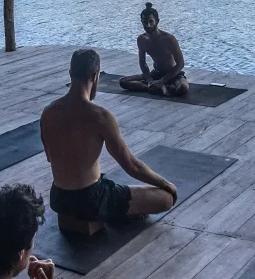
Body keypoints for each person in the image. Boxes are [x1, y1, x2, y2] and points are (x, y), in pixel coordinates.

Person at [42, 49, 176, 224]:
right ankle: (118, 210)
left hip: (58, 198)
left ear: (70, 74)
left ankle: (118, 207)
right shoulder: (101, 116)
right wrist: (166, 184)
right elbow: (132, 166)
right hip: (91, 200)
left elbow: (50, 158)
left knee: (106, 183)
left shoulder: (48, 113)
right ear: (95, 76)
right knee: (166, 198)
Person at [118, 3, 189, 97]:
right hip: (155, 74)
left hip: (172, 74)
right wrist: (149, 80)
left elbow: (180, 63)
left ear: (157, 21)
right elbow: (142, 63)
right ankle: (156, 87)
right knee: (123, 82)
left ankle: (159, 86)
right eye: (145, 22)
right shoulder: (142, 39)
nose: (148, 25)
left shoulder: (169, 39)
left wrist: (162, 81)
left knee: (183, 87)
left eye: (151, 22)